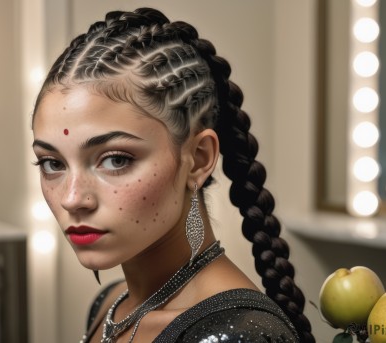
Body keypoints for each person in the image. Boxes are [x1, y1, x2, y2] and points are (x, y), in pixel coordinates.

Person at [31, 7, 315, 343]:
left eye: (116, 160)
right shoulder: (111, 304)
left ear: (197, 159)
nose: (72, 198)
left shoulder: (238, 335)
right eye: (52, 163)